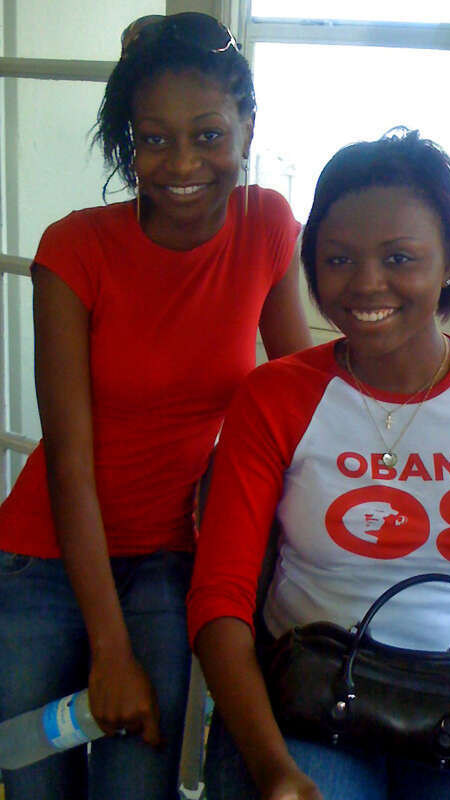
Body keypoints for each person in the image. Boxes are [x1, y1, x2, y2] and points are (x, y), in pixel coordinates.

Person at [188, 128, 450, 800]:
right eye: (338, 259)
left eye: (400, 257)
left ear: (449, 265)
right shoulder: (276, 395)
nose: (366, 284)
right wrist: (271, 768)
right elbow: (219, 596)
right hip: (309, 698)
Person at [0, 12, 311, 800]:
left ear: (247, 127)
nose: (181, 163)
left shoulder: (267, 225)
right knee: (32, 782)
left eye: (207, 135)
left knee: (136, 787)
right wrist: (109, 650)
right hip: (43, 554)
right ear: (126, 141)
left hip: (174, 555)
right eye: (153, 139)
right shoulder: (74, 249)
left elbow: (296, 399)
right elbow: (69, 458)